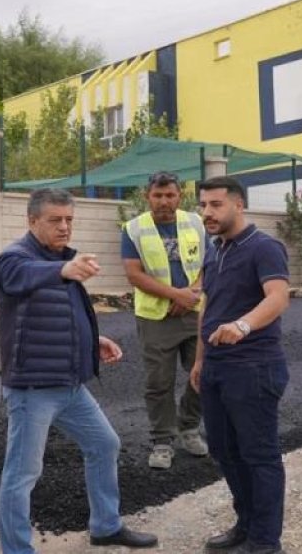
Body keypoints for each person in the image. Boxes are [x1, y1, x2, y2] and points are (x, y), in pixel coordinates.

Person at [0, 188, 158, 554]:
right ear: (32, 221)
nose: (64, 226)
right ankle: (16, 549)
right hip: (32, 389)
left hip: (70, 386)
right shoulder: (14, 259)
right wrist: (63, 269)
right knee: (22, 474)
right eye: (55, 220)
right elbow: (18, 276)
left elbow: (59, 316)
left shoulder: (64, 259)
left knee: (104, 444)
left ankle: (105, 525)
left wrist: (92, 341)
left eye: (69, 219)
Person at [188, 176, 291, 554]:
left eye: (215, 204)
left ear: (238, 204)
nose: (207, 212)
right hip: (217, 367)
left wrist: (243, 325)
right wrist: (200, 358)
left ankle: (265, 542)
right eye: (203, 205)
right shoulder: (215, 249)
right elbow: (208, 306)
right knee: (224, 451)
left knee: (259, 454)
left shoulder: (264, 248)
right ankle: (246, 525)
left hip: (254, 367)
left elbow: (278, 298)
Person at [121, 171, 209, 469]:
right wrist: (176, 295)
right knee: (159, 381)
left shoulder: (195, 222)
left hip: (194, 312)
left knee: (204, 372)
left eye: (169, 195)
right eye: (157, 196)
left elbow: (208, 263)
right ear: (148, 197)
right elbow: (134, 274)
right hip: (155, 318)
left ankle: (188, 427)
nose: (163, 201)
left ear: (178, 196)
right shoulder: (134, 229)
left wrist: (191, 294)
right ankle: (162, 441)